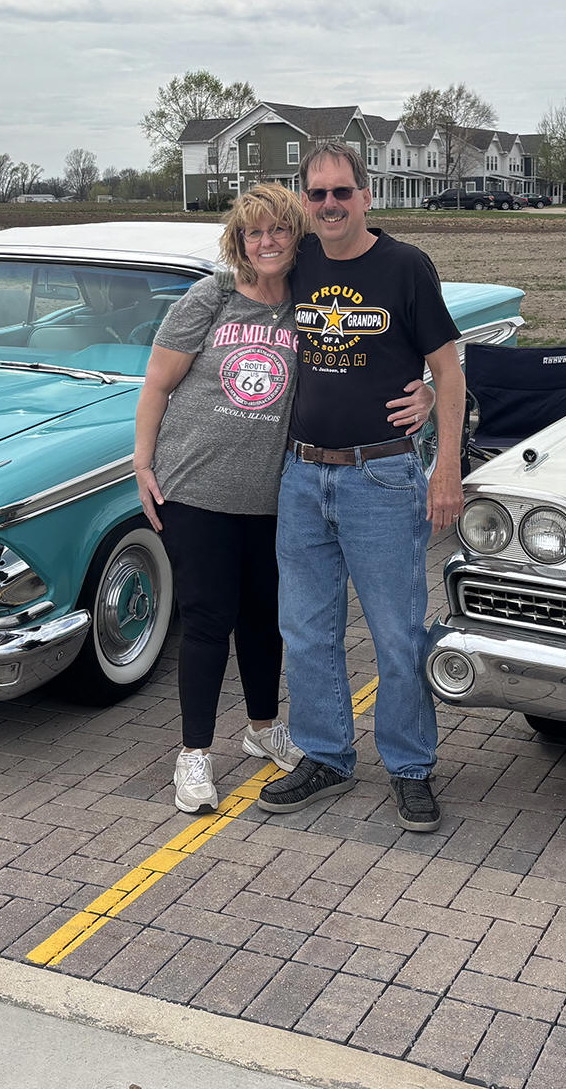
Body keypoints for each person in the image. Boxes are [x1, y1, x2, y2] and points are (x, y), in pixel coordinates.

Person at [133, 183, 434, 814]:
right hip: (197, 487)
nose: (266, 242)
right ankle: (194, 754)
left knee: (270, 620)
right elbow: (157, 384)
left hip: (276, 492)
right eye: (254, 232)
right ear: (238, 241)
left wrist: (427, 390)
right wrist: (142, 463)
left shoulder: (308, 296)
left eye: (278, 230)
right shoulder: (211, 297)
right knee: (208, 620)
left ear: (297, 237)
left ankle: (265, 728)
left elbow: (374, 352)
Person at [258, 140, 467, 832]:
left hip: (381, 475)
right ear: (305, 201)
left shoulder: (404, 267)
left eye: (341, 191)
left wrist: (445, 465)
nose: (330, 204)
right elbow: (240, 293)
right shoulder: (297, 261)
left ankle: (410, 767)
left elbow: (449, 368)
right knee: (306, 629)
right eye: (317, 194)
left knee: (397, 632)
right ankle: (325, 755)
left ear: (366, 196)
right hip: (301, 475)